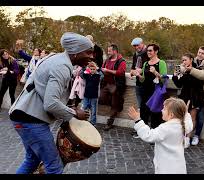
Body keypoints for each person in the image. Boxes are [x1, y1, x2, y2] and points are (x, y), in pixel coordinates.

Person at [9, 32, 93, 174]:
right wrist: (74, 113)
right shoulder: (62, 66)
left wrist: (70, 106)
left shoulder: (57, 58)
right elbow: (50, 103)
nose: (92, 56)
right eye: (88, 52)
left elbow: (46, 93)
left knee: (32, 159)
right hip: (31, 120)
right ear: (75, 52)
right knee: (54, 167)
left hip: (22, 115)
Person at [127, 97, 193, 174]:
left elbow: (148, 135)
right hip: (178, 166)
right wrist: (186, 113)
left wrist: (137, 120)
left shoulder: (165, 128)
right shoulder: (183, 124)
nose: (161, 110)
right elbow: (189, 124)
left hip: (166, 167)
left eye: (164, 109)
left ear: (171, 114)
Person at [172, 53, 204, 148]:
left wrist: (188, 71)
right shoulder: (182, 70)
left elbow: (199, 83)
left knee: (192, 118)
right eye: (182, 60)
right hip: (184, 97)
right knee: (182, 118)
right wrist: (175, 75)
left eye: (185, 60)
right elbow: (178, 85)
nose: (183, 62)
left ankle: (187, 138)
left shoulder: (198, 69)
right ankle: (181, 137)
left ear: (191, 59)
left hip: (195, 97)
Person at [184, 46, 204, 146]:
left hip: (203, 94)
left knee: (200, 117)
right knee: (189, 116)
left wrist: (191, 69)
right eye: (199, 52)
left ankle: (196, 135)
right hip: (191, 94)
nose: (200, 55)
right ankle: (187, 136)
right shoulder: (193, 60)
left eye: (203, 53)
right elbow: (183, 69)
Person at [137, 44, 167, 129]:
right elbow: (143, 79)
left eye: (150, 50)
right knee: (143, 111)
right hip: (145, 91)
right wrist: (139, 75)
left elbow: (164, 79)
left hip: (156, 92)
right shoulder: (146, 63)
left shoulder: (161, 63)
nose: (148, 52)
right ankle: (143, 131)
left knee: (155, 114)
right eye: (147, 50)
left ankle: (155, 133)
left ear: (156, 51)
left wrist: (155, 72)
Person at [100, 44, 126, 131]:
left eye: (110, 51)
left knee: (115, 104)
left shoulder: (121, 61)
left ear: (115, 51)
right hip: (107, 84)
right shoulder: (107, 60)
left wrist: (108, 71)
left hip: (116, 85)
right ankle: (115, 105)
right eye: (108, 51)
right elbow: (102, 68)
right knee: (101, 98)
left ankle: (109, 123)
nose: (108, 53)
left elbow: (121, 73)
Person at [130, 37, 149, 138]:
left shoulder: (148, 53)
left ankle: (143, 130)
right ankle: (140, 128)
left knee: (144, 107)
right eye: (135, 46)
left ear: (142, 43)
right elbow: (133, 68)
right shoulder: (136, 54)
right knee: (140, 106)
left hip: (146, 84)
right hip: (138, 83)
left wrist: (139, 71)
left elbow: (149, 68)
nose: (136, 47)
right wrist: (133, 71)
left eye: (138, 45)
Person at [81, 62, 104, 126]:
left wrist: (98, 69)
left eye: (94, 69)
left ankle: (93, 123)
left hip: (94, 96)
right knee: (84, 108)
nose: (92, 70)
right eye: (91, 69)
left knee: (93, 110)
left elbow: (102, 75)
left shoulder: (97, 76)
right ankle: (84, 120)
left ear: (95, 69)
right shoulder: (87, 76)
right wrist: (84, 68)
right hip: (86, 95)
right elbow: (81, 74)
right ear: (89, 69)